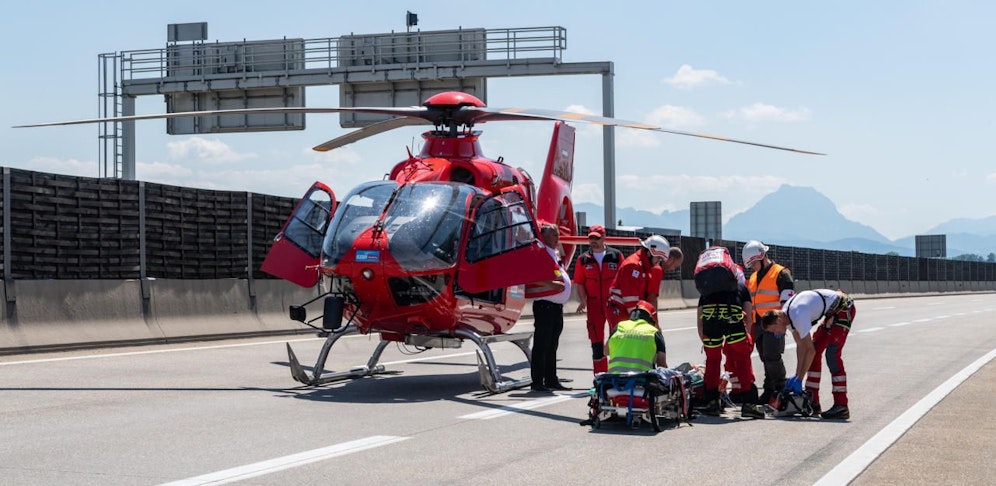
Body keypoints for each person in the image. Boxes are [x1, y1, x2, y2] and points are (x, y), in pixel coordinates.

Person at [760, 289, 855, 420]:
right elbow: (801, 346)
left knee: (832, 355)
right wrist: (797, 374)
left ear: (778, 320)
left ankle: (841, 405)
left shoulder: (798, 314)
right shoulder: (787, 316)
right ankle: (813, 402)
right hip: (832, 312)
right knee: (814, 356)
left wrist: (800, 379)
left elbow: (809, 350)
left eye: (773, 329)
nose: (775, 333)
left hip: (843, 308)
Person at [696, 261, 765, 419]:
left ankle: (712, 402)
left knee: (712, 361)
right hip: (734, 323)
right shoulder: (741, 288)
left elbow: (700, 317)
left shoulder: (706, 290)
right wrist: (745, 335)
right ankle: (749, 404)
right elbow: (748, 314)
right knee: (742, 360)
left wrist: (703, 337)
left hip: (710, 324)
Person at [742, 240, 795, 406]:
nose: (751, 267)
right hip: (758, 324)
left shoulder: (781, 274)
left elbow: (788, 302)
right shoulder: (753, 277)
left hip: (774, 324)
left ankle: (781, 388)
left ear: (762, 256)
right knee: (765, 357)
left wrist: (782, 325)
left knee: (772, 357)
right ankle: (769, 389)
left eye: (753, 263)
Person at [573, 224, 624, 374]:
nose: (593, 241)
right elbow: (580, 282)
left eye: (596, 238)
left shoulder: (616, 256)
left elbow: (624, 278)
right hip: (594, 305)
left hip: (614, 305)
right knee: (596, 343)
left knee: (616, 339)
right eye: (591, 238)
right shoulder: (583, 260)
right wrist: (583, 300)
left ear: (604, 238)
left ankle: (617, 374)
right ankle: (600, 377)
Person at [529, 222, 573, 392]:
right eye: (554, 234)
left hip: (555, 307)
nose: (557, 238)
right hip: (545, 306)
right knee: (542, 344)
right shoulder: (539, 253)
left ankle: (551, 379)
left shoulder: (553, 254)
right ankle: (538, 381)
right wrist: (553, 285)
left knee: (552, 344)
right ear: (544, 236)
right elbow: (530, 276)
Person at [606, 235, 675, 329]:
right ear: (650, 253)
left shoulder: (643, 266)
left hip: (625, 309)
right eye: (658, 258)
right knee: (619, 339)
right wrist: (644, 322)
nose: (658, 262)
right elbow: (631, 300)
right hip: (620, 309)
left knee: (620, 340)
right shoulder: (633, 266)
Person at [607, 300, 668, 373]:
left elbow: (606, 351)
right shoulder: (654, 332)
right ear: (651, 319)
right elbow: (662, 366)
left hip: (614, 380)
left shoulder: (619, 326)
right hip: (642, 381)